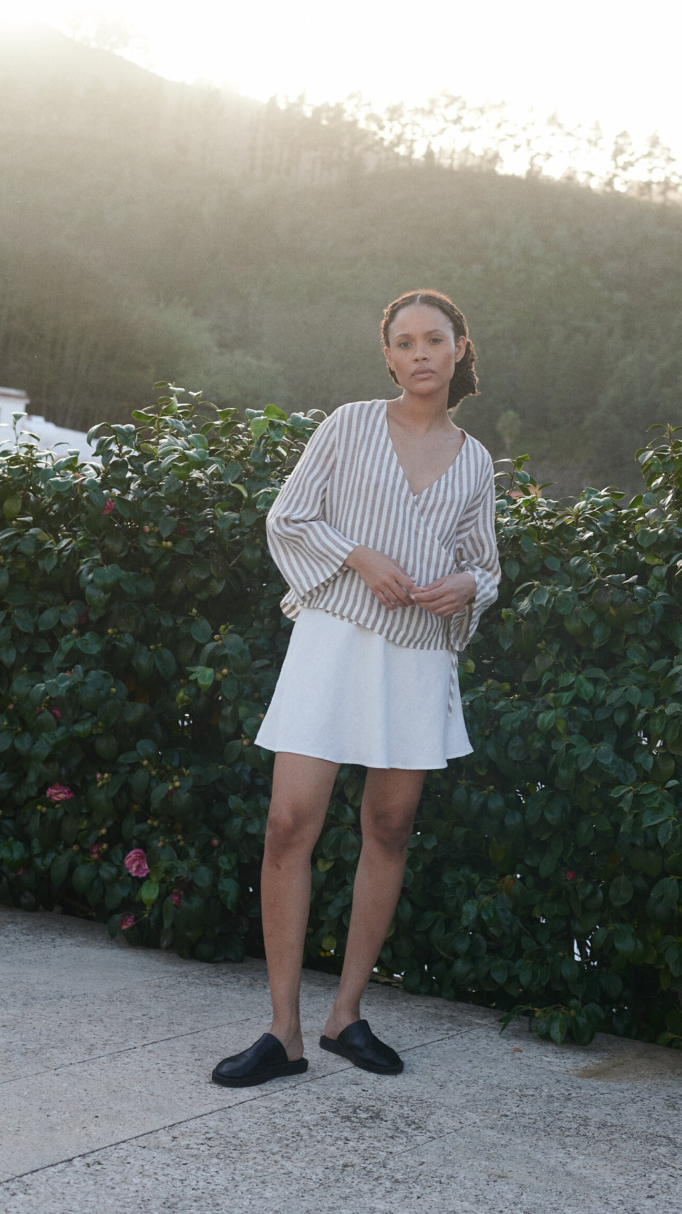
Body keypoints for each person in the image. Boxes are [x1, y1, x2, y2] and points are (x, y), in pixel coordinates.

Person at [211, 290, 500, 1086]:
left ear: (458, 348)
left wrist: (465, 585)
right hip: (331, 644)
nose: (419, 354)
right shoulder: (346, 425)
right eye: (404, 342)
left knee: (390, 827)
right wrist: (357, 556)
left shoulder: (474, 461)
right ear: (388, 356)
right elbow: (289, 518)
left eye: (433, 340)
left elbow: (487, 563)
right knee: (287, 824)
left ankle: (345, 1017)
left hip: (414, 660)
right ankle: (283, 1033)